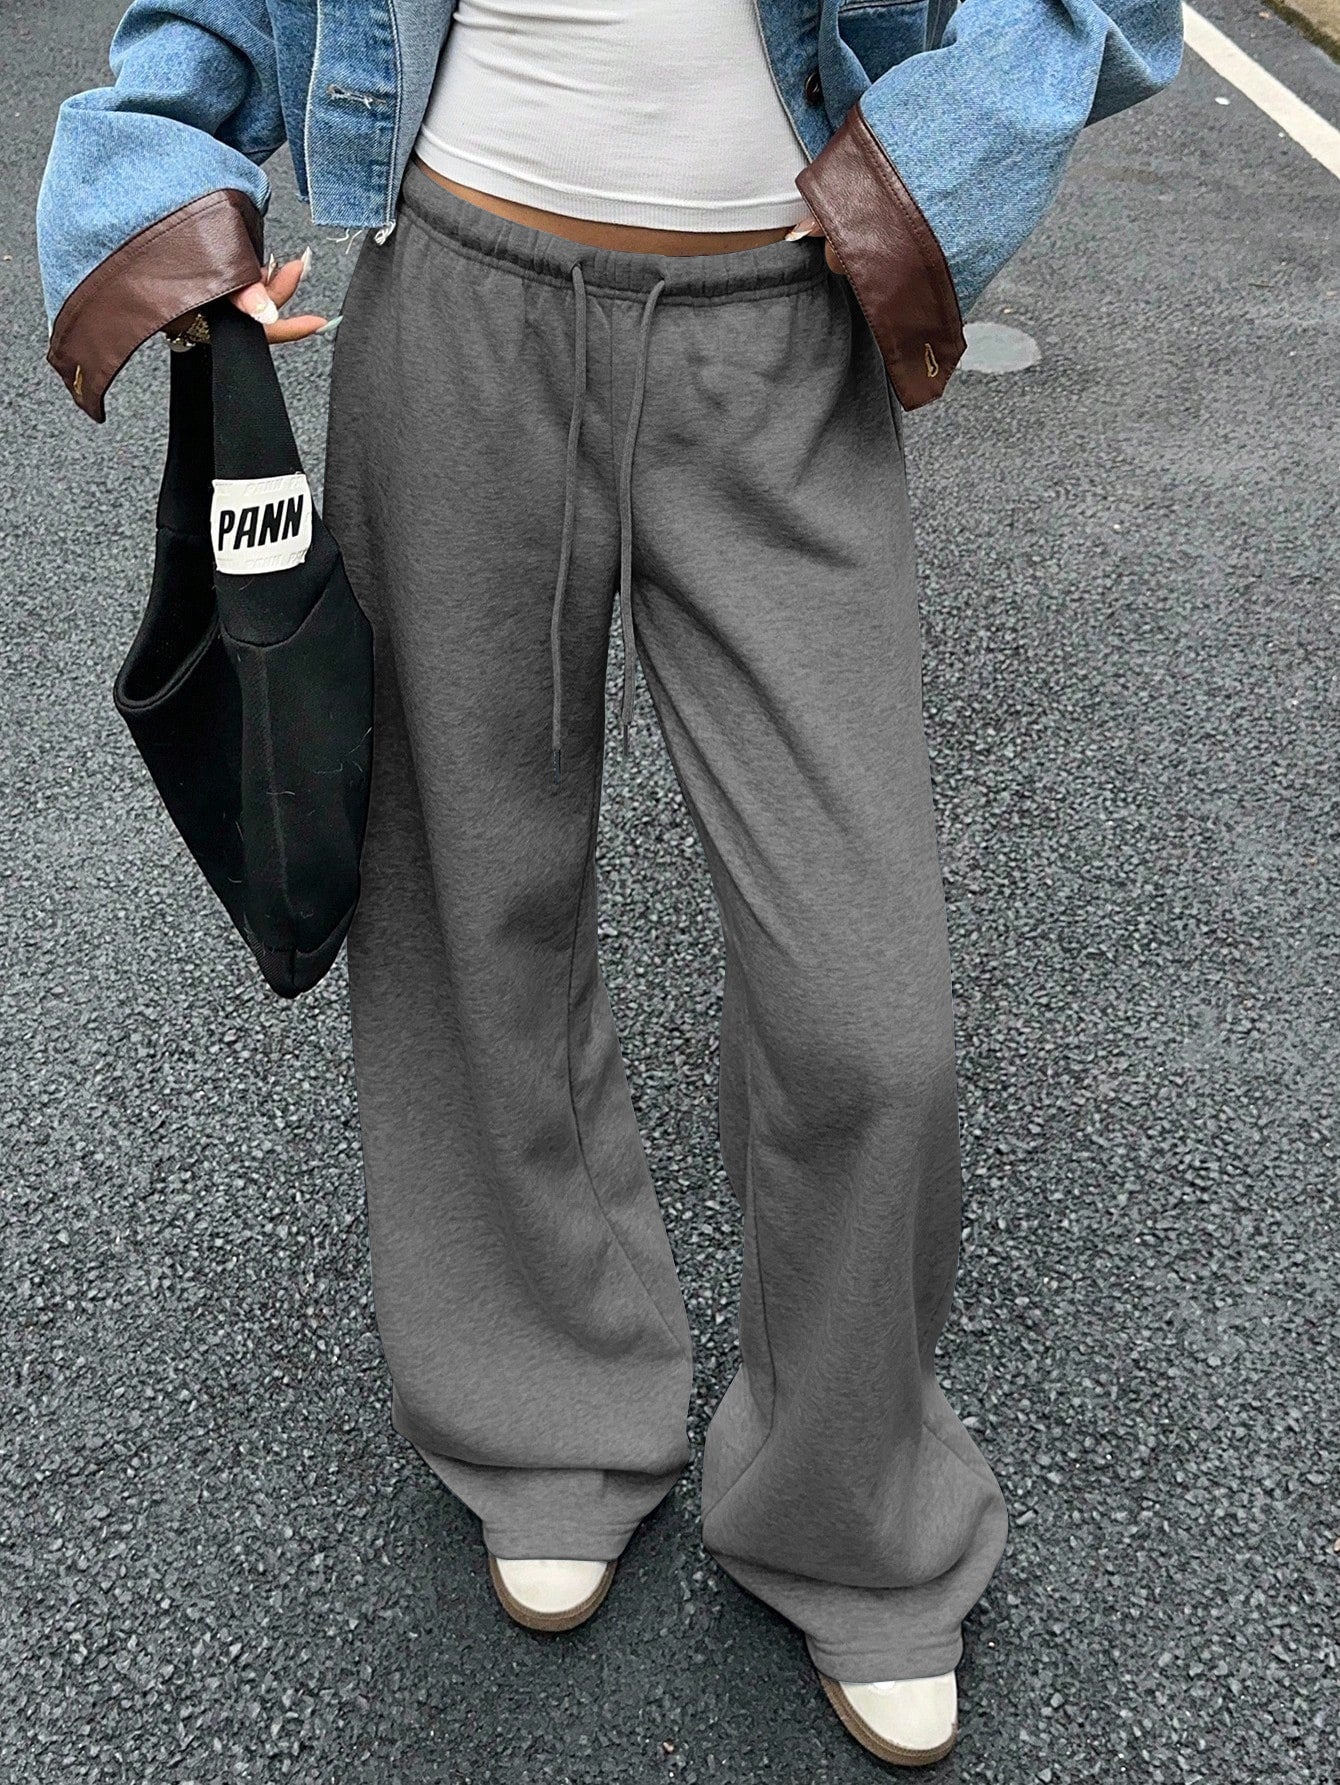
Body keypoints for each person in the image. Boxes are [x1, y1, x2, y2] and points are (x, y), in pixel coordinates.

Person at [36, 0, 1182, 1764]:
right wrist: (169, 184)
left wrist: (926, 173)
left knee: (867, 1011)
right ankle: (541, 1411)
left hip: (784, 335)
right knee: (467, 911)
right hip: (460, 306)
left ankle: (855, 1511)